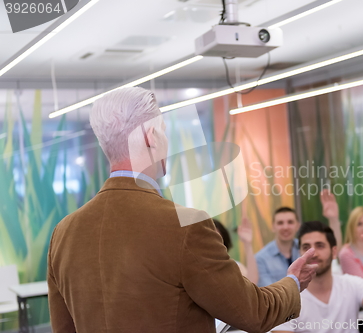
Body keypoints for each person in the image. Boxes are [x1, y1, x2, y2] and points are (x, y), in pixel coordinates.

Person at [47, 87, 319, 333]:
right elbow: (252, 312)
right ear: (151, 137)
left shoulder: (63, 232)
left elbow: (63, 328)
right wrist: (293, 282)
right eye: (164, 130)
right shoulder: (185, 223)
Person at [272, 215, 363, 333]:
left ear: (334, 252)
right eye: (306, 247)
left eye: (320, 245)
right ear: (300, 253)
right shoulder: (287, 299)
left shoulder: (352, 284)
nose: (313, 253)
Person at [213, 217, 259, 284]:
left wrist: (247, 244)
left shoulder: (235, 266)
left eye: (217, 237)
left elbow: (251, 284)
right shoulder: (195, 269)